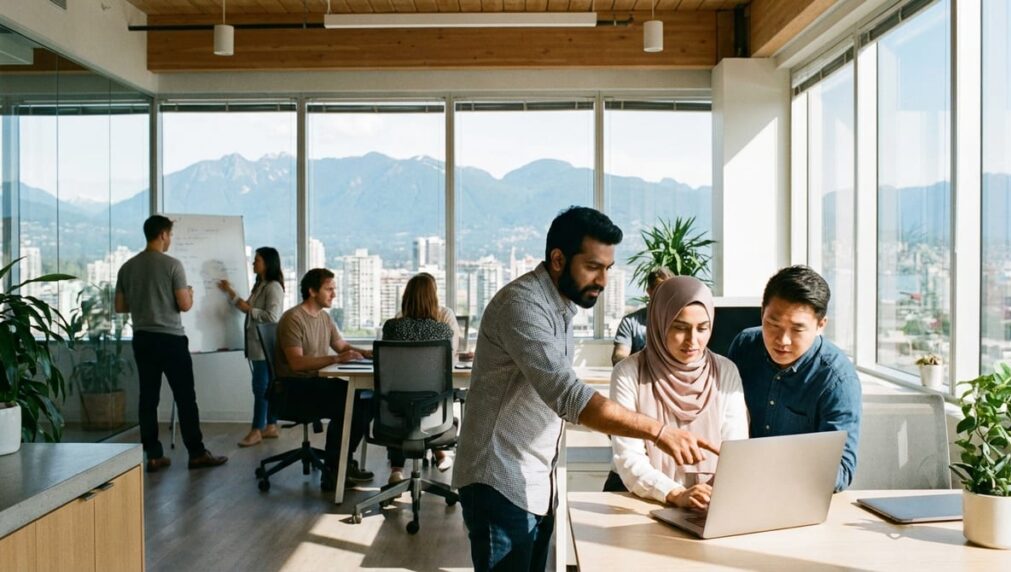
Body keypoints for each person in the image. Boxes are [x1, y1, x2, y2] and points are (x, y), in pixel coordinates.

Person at [452, 206, 718, 572]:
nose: (603, 280)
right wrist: (658, 431)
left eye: (608, 268)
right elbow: (569, 397)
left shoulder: (558, 306)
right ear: (558, 259)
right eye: (593, 267)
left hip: (533, 479)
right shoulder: (522, 305)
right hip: (498, 479)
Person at [606, 276, 748, 510]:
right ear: (660, 322)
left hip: (709, 501)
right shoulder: (629, 373)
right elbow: (629, 457)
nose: (693, 341)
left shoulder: (725, 371)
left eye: (703, 328)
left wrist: (710, 494)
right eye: (680, 328)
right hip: (639, 499)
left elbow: (736, 448)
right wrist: (675, 493)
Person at [727, 265, 861, 492]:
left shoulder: (838, 381)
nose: (783, 340)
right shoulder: (744, 346)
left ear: (821, 325)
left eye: (797, 329)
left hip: (797, 492)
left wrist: (773, 469)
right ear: (762, 313)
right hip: (738, 484)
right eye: (773, 324)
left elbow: (841, 471)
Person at [114, 215, 228, 473]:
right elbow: (184, 305)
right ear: (164, 235)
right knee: (185, 396)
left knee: (148, 398)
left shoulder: (127, 267)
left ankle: (153, 455)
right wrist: (188, 293)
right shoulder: (172, 265)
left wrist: (146, 301)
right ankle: (197, 453)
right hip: (170, 339)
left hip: (142, 338)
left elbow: (120, 307)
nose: (170, 240)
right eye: (170, 235)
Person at [274, 268, 375, 489]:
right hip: (295, 388)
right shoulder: (293, 319)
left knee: (366, 398)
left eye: (334, 289)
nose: (334, 294)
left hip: (315, 384)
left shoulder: (324, 318)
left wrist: (366, 352)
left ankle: (340, 464)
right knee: (352, 402)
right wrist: (337, 358)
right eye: (329, 289)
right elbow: (297, 363)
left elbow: (342, 346)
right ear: (312, 291)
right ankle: (334, 469)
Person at [380, 272, 460, 484]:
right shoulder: (442, 330)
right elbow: (448, 368)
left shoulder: (391, 327)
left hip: (394, 411)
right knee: (435, 400)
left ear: (405, 298)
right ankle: (440, 451)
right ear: (433, 298)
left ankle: (396, 469)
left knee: (399, 402)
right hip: (434, 412)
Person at [218, 246, 286, 448]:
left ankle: (256, 430)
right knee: (266, 387)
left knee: (260, 388)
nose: (253, 263)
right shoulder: (260, 285)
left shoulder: (273, 287)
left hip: (264, 346)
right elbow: (245, 307)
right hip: (257, 344)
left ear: (267, 262)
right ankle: (270, 426)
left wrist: (250, 309)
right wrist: (230, 292)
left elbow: (272, 317)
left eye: (257, 260)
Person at [611, 267, 674, 365]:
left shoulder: (680, 321)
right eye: (660, 289)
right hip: (638, 378)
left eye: (668, 290)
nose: (664, 294)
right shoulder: (630, 322)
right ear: (649, 291)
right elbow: (618, 357)